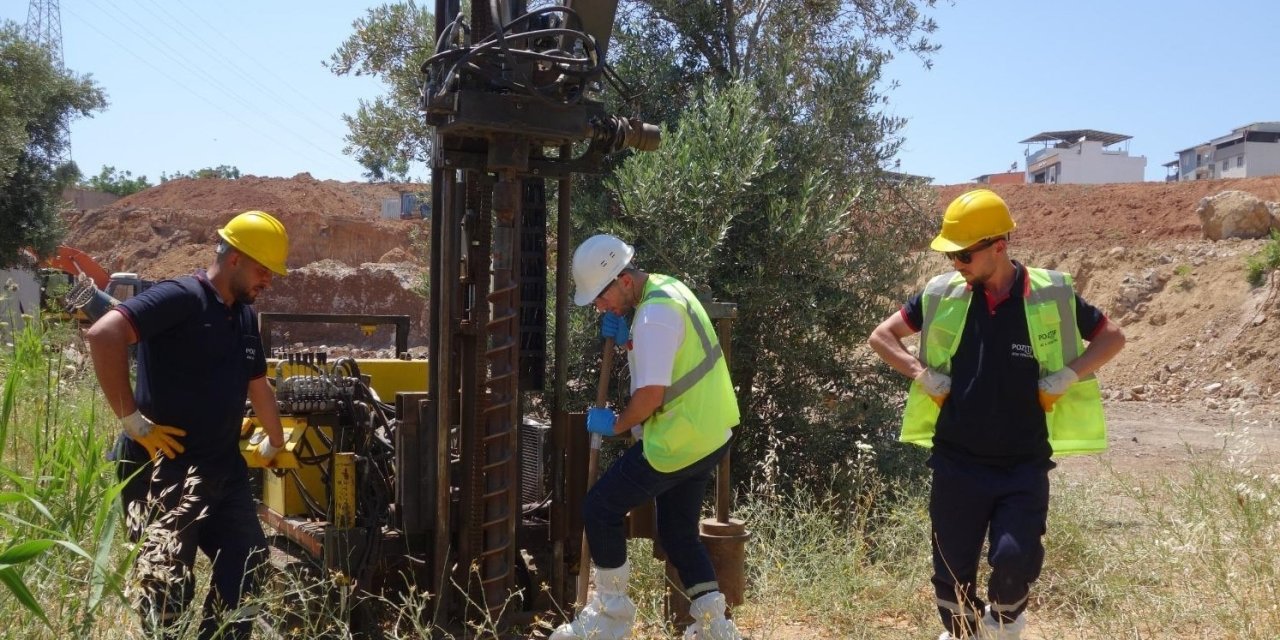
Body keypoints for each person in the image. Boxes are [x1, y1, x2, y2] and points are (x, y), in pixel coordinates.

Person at [867, 189, 1125, 640]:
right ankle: (964, 634)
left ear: (998, 247)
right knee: (951, 577)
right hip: (956, 462)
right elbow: (881, 337)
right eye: (952, 255)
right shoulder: (942, 294)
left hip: (1022, 464)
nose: (956, 264)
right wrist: (921, 373)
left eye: (964, 254)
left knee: (1013, 562)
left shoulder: (1053, 294)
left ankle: (1004, 626)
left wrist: (1070, 373)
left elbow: (1112, 338)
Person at [86, 210, 290, 639]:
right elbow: (104, 334)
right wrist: (132, 421)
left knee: (248, 564)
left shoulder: (244, 316)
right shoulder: (179, 297)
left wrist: (275, 440)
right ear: (234, 257)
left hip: (222, 469)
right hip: (164, 470)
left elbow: (258, 385)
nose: (268, 280)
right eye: (262, 269)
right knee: (167, 591)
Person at [550, 234, 743, 640]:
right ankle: (714, 629)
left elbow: (652, 395)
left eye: (600, 298)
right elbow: (671, 356)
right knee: (677, 533)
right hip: (710, 433)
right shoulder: (667, 289)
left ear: (622, 280)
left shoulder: (654, 314)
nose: (599, 307)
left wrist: (616, 424)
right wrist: (629, 338)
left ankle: (609, 619)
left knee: (599, 509)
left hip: (678, 439)